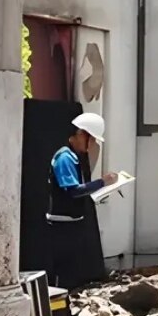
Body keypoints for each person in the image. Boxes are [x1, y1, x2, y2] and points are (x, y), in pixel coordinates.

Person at [48, 113, 118, 301]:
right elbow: (73, 191)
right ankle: (60, 314)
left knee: (72, 272)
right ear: (81, 134)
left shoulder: (73, 158)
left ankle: (67, 311)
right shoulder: (65, 158)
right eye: (92, 138)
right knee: (65, 274)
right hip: (63, 226)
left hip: (71, 224)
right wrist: (102, 182)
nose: (92, 144)